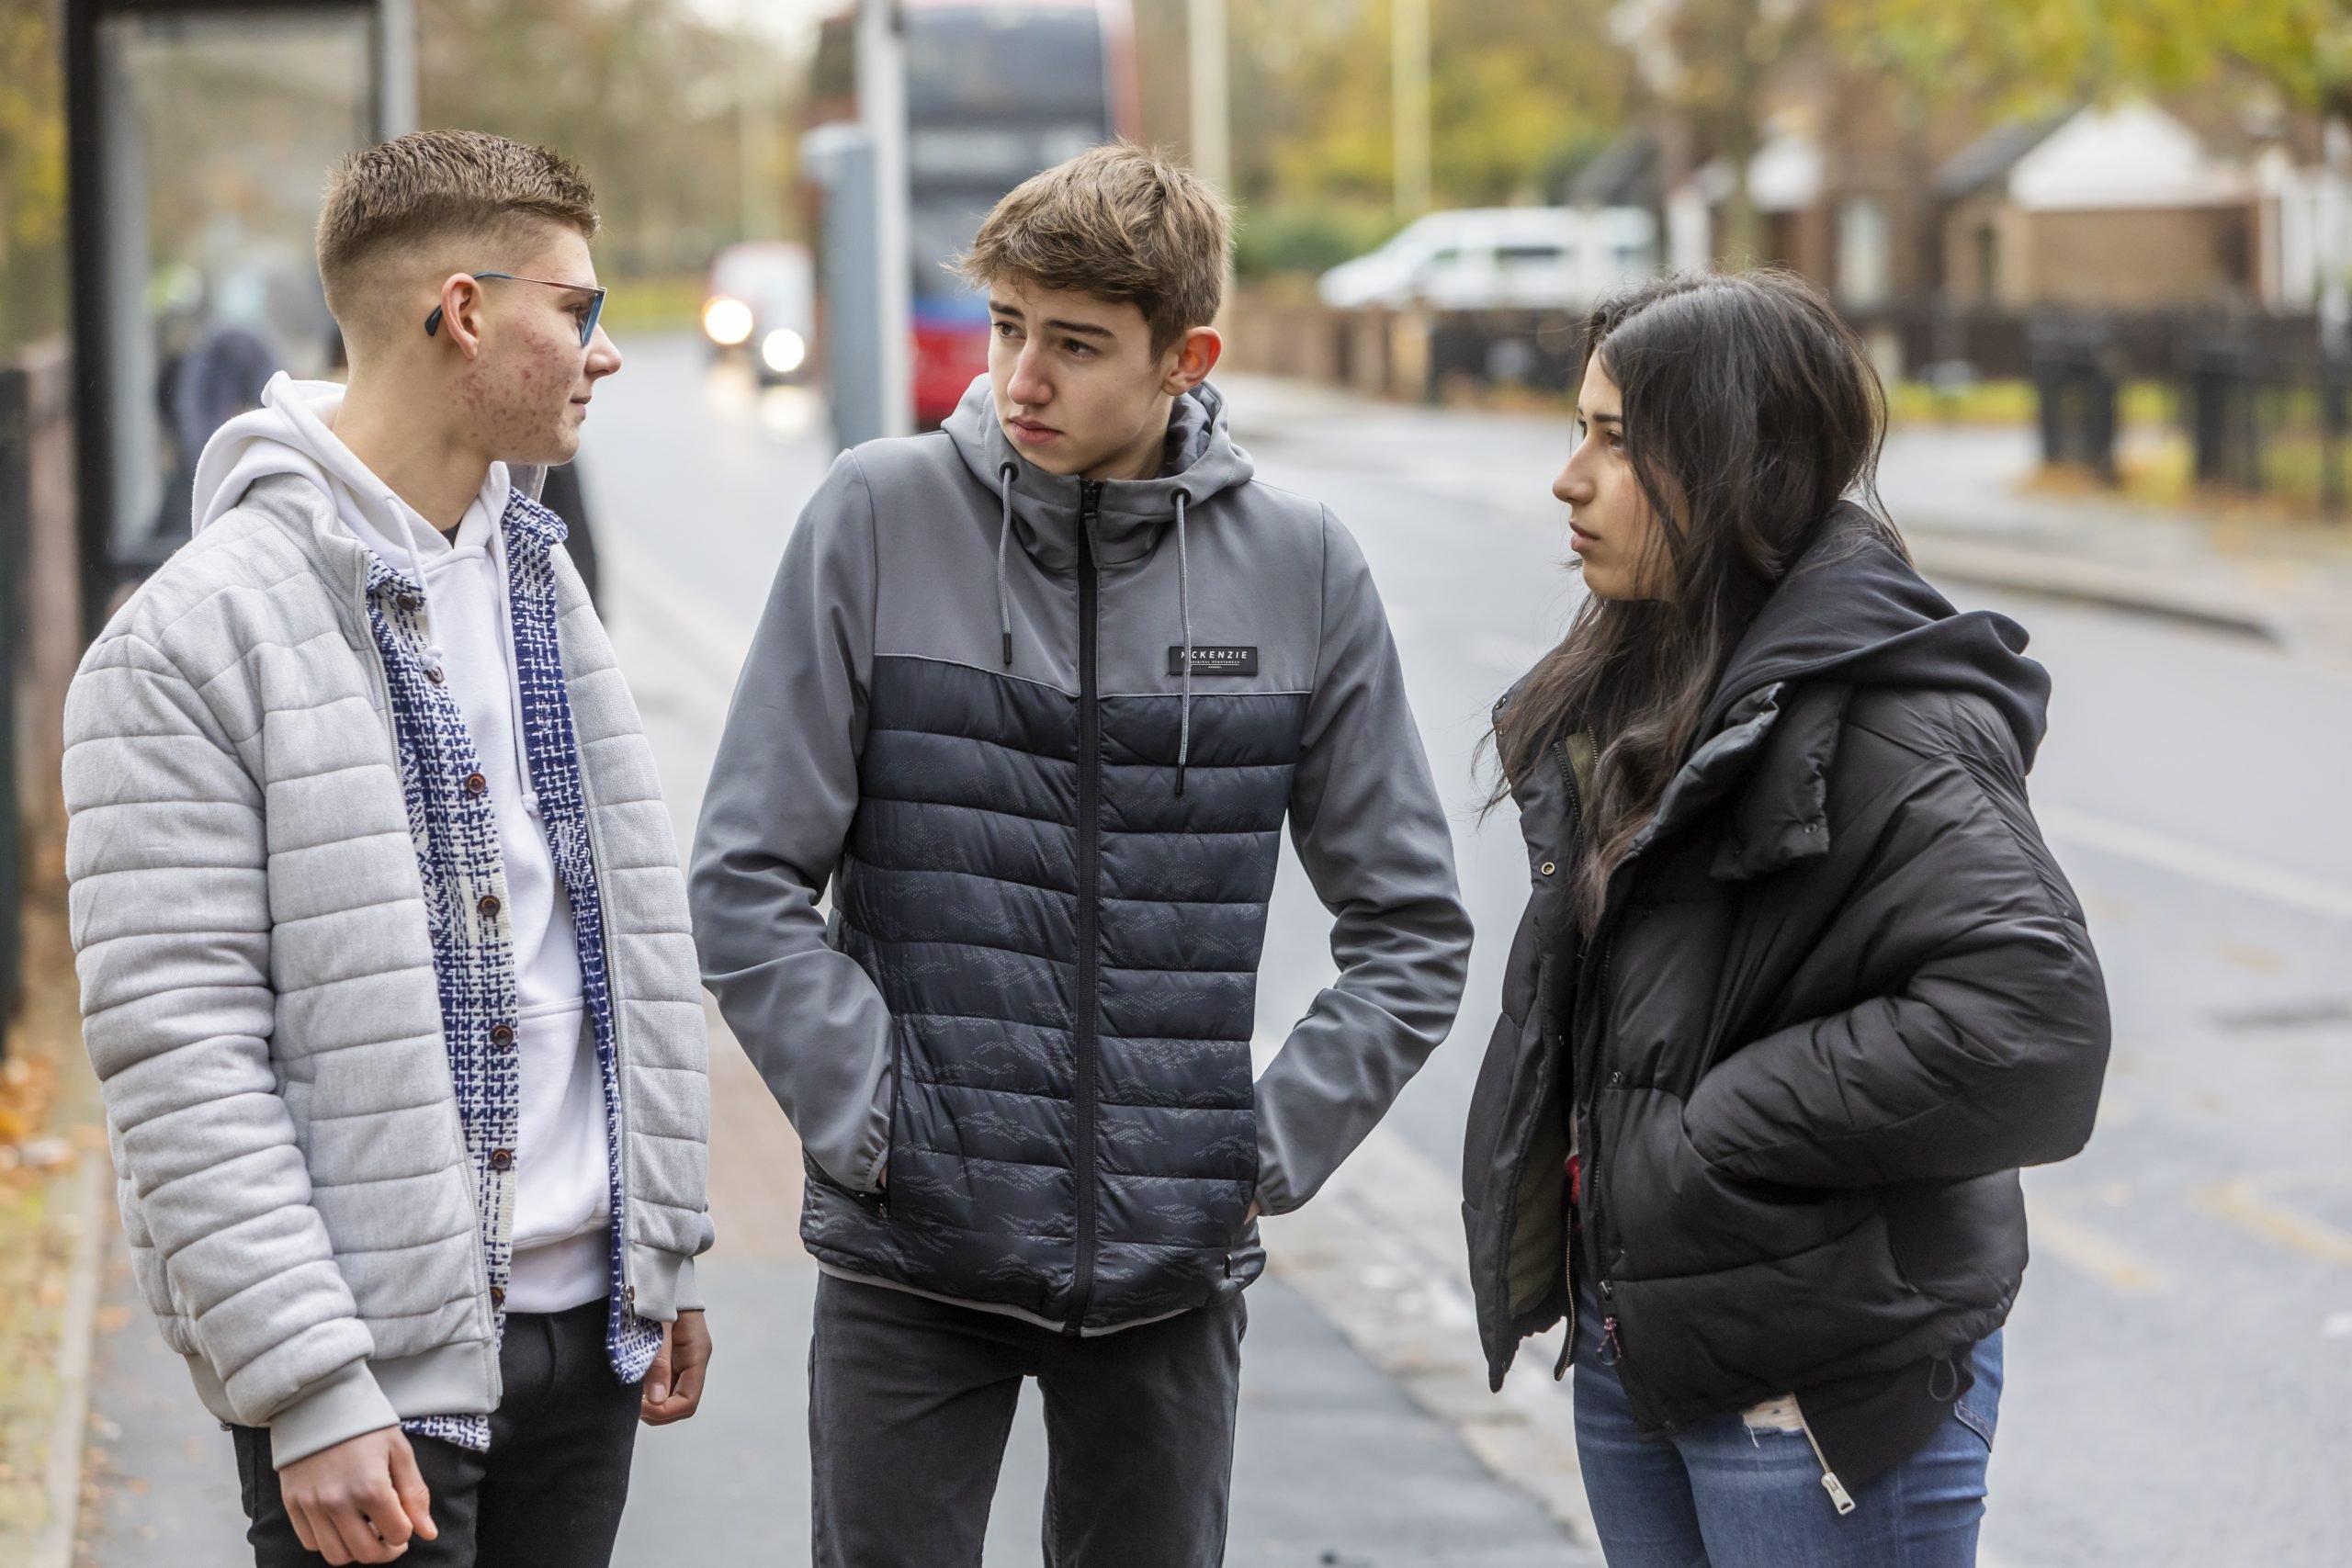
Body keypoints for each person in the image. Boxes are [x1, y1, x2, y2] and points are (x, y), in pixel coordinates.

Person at [690, 141, 1473, 1565]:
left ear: (1187, 357)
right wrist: (875, 1120)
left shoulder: (1303, 569)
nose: (1019, 380)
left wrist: (1256, 1148)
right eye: (1004, 328)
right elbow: (745, 878)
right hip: (911, 1257)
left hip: (1170, 1275)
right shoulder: (876, 518)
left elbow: (1413, 932)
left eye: (1073, 343)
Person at [63, 130, 713, 1568]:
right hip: (370, 1382)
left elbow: (617, 937)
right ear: (466, 312)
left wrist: (660, 1256)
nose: (603, 353)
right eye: (578, 310)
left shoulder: (541, 577)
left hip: (589, 1337)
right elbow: (180, 1050)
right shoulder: (186, 642)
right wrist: (306, 1385)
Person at [1459, 270, 2111, 1566]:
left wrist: (1717, 1135)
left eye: (1615, 440)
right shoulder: (1644, 690)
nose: (1567, 478)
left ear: (1738, 465)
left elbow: (2031, 1025)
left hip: (1814, 1384)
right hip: (1642, 1348)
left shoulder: (1892, 720)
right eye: (1576, 428)